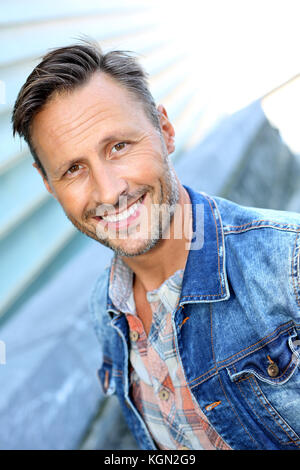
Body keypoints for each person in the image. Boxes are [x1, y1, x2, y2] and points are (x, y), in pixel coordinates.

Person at [12, 40, 300, 451]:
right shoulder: (107, 308)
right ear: (49, 186)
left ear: (164, 130)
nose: (109, 192)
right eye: (74, 169)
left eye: (118, 146)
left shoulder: (289, 264)